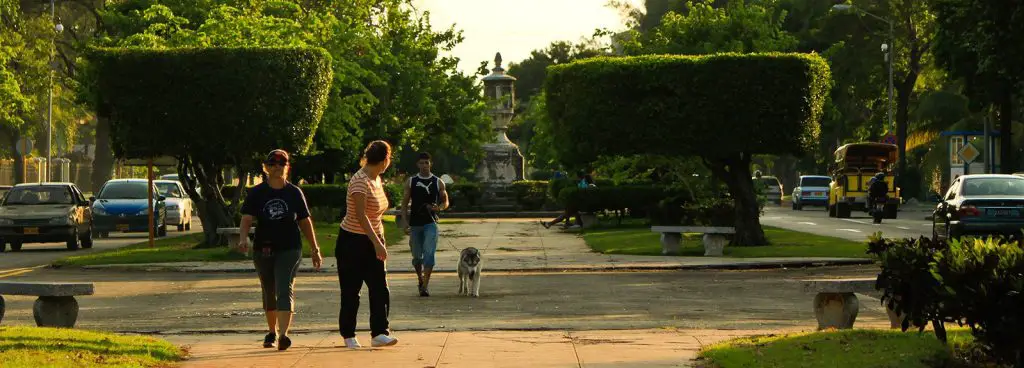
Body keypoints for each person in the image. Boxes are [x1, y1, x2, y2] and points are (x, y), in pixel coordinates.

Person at [238, 149, 323, 351]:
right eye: (273, 163)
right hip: (263, 248)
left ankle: (284, 334)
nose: (278, 167)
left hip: (290, 247)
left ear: (287, 167)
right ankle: (272, 331)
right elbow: (247, 218)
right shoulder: (257, 193)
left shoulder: (294, 192)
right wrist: (243, 239)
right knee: (269, 290)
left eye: (282, 163)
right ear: (266, 167)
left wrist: (315, 248)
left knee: (285, 287)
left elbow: (304, 221)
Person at [337, 140, 399, 348]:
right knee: (351, 290)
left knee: (380, 288)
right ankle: (348, 334)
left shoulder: (377, 179)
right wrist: (376, 243)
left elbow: (376, 217)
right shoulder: (359, 181)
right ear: (384, 160)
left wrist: (381, 240)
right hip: (352, 242)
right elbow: (361, 216)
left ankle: (379, 332)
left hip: (373, 239)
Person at [401, 152, 450, 297]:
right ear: (417, 164)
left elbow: (446, 201)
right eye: (421, 163)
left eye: (426, 163)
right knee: (417, 256)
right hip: (415, 223)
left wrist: (439, 208)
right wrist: (405, 222)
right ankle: (420, 279)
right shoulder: (411, 181)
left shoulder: (438, 182)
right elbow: (404, 204)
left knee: (429, 254)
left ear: (431, 164)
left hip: (431, 223)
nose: (424, 166)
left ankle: (425, 286)